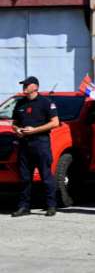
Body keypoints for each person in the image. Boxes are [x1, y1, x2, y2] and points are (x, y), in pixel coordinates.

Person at [11, 77, 60, 217]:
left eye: (27, 85)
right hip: (24, 144)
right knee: (25, 178)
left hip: (40, 142)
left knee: (46, 176)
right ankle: (24, 206)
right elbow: (15, 123)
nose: (24, 87)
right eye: (23, 85)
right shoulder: (20, 103)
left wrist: (35, 130)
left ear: (36, 87)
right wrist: (17, 130)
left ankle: (51, 205)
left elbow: (55, 122)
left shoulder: (45, 102)